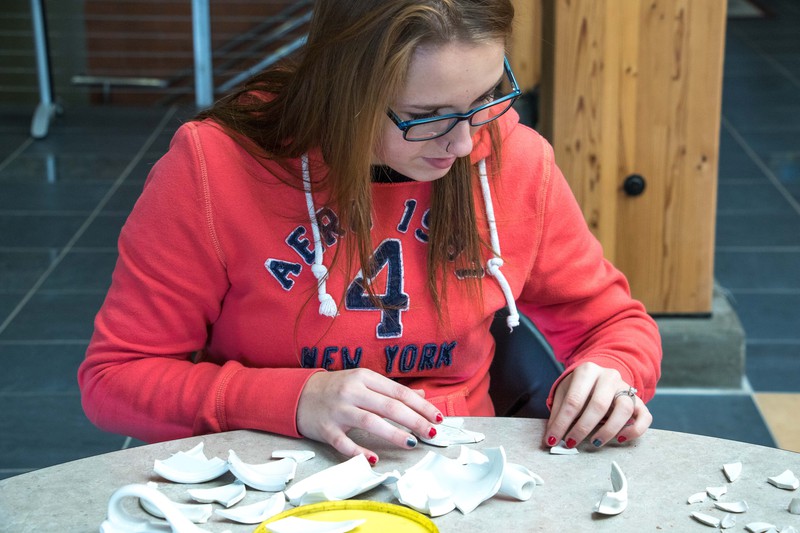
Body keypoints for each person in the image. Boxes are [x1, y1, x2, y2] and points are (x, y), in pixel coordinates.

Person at [79, 0, 661, 465]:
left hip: (462, 469)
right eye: (428, 116)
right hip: (269, 467)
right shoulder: (214, 166)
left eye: (486, 97)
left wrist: (612, 375)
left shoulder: (512, 157)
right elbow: (114, 379)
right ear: (344, 93)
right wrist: (296, 399)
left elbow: (615, 324)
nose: (464, 144)